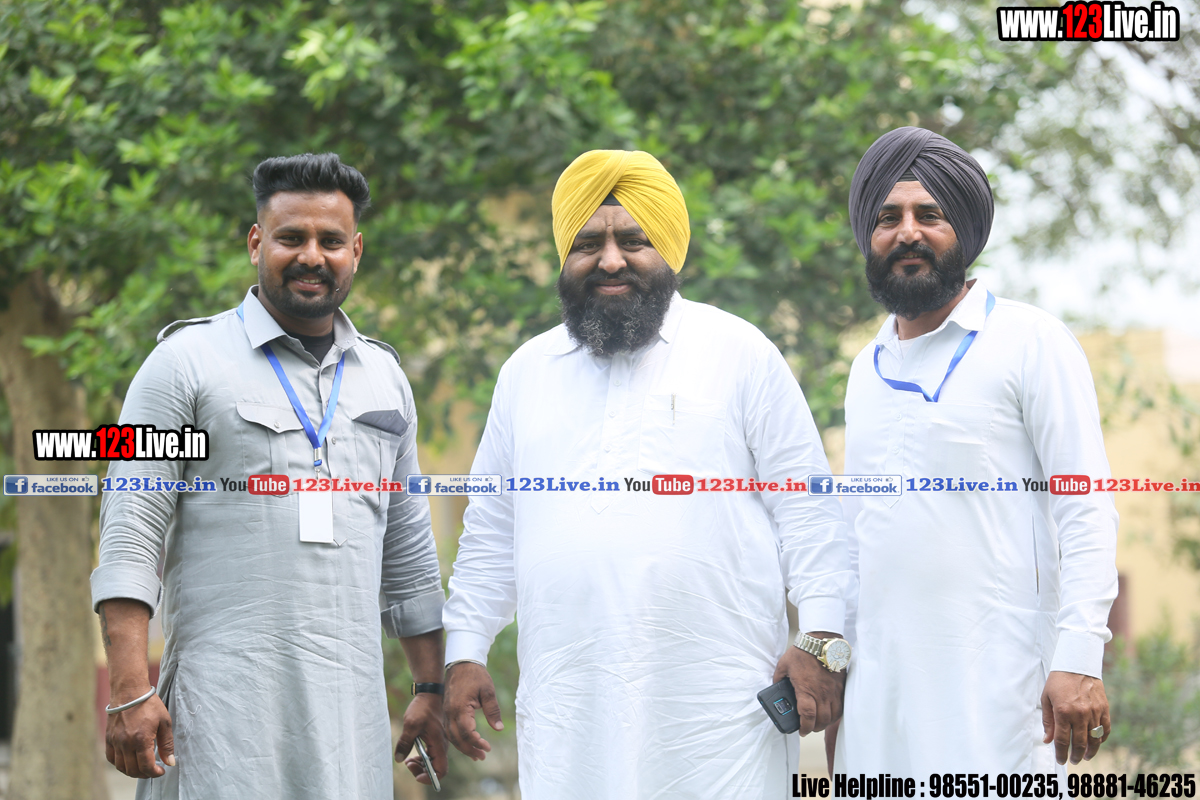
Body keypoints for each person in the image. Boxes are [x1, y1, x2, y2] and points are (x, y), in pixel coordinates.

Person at [441, 149, 855, 798]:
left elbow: (808, 512)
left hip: (718, 717)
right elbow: (492, 531)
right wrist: (464, 651)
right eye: (588, 244)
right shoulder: (526, 372)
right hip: (570, 712)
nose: (610, 260)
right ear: (564, 256)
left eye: (633, 241)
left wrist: (823, 637)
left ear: (668, 248)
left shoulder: (739, 352)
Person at [92, 153, 447, 798]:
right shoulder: (180, 363)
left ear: (356, 251)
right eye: (291, 238)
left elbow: (409, 552)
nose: (312, 256)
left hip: (351, 727)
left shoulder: (386, 380)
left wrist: (430, 686)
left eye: (331, 240)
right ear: (257, 242)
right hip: (222, 723)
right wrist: (128, 688)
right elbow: (129, 534)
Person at [834, 127, 1119, 774]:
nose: (907, 232)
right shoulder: (866, 368)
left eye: (929, 215)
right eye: (887, 218)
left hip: (1000, 695)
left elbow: (1086, 508)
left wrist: (1080, 657)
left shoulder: (1030, 340)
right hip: (880, 703)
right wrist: (841, 679)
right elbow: (856, 540)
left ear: (963, 230)